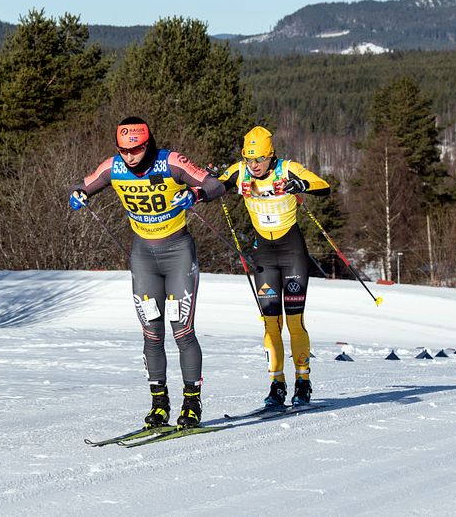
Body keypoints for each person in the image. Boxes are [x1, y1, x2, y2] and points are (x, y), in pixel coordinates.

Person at [70, 116, 225, 429]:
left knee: (182, 331)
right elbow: (81, 184)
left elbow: (215, 184)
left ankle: (192, 403)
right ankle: (159, 404)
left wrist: (195, 194)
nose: (130, 156)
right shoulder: (112, 168)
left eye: (137, 149)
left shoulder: (170, 162)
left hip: (178, 253)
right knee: (152, 334)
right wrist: (78, 194)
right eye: (124, 150)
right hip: (143, 258)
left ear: (148, 143)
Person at [219, 125, 330, 407]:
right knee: (271, 324)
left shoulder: (287, 169)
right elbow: (214, 185)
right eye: (249, 159)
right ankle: (276, 384)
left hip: (292, 253)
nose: (254, 166)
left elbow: (323, 186)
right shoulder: (240, 171)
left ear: (271, 156)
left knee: (294, 322)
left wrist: (301, 185)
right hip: (264, 256)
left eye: (259, 160)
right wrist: (202, 186)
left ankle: (303, 381)